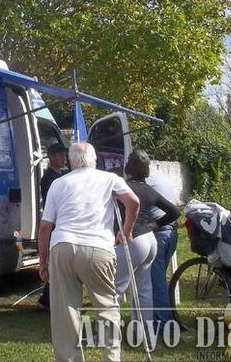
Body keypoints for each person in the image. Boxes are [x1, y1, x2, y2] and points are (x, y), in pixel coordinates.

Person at [38, 142, 140, 362]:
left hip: (63, 245)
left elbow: (45, 227)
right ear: (94, 159)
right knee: (106, 306)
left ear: (70, 161)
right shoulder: (109, 178)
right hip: (97, 246)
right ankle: (111, 358)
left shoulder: (58, 183)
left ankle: (69, 358)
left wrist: (42, 262)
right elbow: (133, 202)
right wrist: (126, 231)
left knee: (65, 310)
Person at [113, 150, 180, 342]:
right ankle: (147, 336)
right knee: (144, 289)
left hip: (134, 241)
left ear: (129, 167)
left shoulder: (124, 188)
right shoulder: (149, 190)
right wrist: (154, 225)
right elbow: (175, 211)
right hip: (150, 241)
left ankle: (106, 333)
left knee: (115, 289)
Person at [145, 167, 181, 328]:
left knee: (156, 279)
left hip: (159, 232)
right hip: (171, 232)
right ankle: (162, 315)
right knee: (158, 277)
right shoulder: (160, 175)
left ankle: (163, 323)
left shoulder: (145, 180)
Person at [38, 142, 69, 309]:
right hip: (55, 224)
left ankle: (47, 299)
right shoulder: (49, 178)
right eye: (60, 155)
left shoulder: (63, 176)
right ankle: (46, 299)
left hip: (60, 224)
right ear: (51, 157)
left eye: (64, 155)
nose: (63, 158)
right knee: (54, 264)